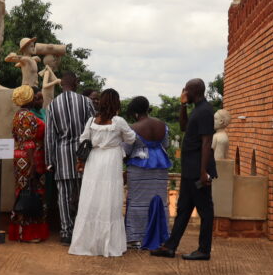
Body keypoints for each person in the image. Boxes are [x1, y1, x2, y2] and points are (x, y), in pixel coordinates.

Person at [150, 78, 216, 261]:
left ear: (194, 91)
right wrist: (182, 106)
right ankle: (170, 247)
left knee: (205, 211)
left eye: (186, 90)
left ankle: (204, 250)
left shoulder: (205, 111)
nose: (184, 92)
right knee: (183, 209)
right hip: (189, 170)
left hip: (198, 170)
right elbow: (183, 126)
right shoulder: (197, 109)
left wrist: (203, 172)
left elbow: (207, 142)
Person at [69, 89, 135, 257]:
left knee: (92, 197)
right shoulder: (119, 121)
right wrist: (117, 139)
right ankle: (108, 244)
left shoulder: (92, 120)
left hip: (94, 159)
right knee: (109, 199)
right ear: (116, 103)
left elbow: (83, 139)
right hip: (111, 159)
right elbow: (131, 138)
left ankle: (87, 243)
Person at [45, 72, 95, 245]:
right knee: (84, 194)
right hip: (84, 155)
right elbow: (93, 129)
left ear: (61, 84)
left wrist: (49, 161)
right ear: (75, 83)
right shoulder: (86, 102)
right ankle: (83, 231)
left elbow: (50, 136)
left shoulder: (52, 105)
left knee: (64, 196)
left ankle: (66, 232)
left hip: (62, 155)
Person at [124, 96, 172, 246]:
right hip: (160, 167)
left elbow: (126, 150)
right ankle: (160, 235)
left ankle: (136, 237)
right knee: (159, 200)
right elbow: (166, 144)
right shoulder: (162, 125)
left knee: (137, 201)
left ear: (135, 112)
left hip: (139, 168)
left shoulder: (133, 128)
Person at [8, 85, 48, 243]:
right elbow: (29, 142)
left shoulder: (18, 115)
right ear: (29, 98)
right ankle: (30, 233)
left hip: (19, 157)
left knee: (22, 191)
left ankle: (19, 231)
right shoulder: (28, 116)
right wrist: (32, 164)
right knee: (33, 192)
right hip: (30, 158)